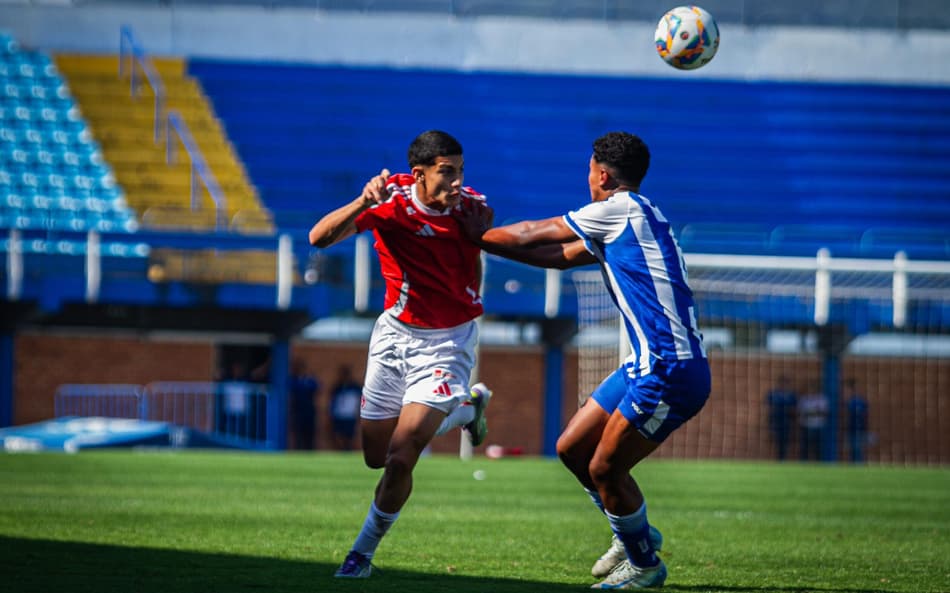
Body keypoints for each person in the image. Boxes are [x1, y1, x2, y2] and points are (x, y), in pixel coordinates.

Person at [457, 131, 710, 589]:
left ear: (603, 174)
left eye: (589, 168)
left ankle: (645, 565)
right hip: (645, 365)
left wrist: (472, 232)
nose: (586, 176)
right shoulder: (636, 216)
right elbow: (557, 256)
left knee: (605, 468)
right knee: (572, 449)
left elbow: (534, 232)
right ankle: (632, 532)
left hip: (671, 369)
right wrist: (484, 244)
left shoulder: (618, 210)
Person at [308, 130, 493, 579]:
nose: (457, 182)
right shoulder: (389, 206)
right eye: (447, 173)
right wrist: (362, 201)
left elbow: (480, 249)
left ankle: (361, 554)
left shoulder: (473, 208)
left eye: (460, 171)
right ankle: (467, 410)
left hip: (448, 343)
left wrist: (469, 297)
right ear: (419, 175)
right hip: (393, 338)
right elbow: (318, 238)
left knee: (401, 453)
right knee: (375, 455)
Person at [288, 357, 320, 450]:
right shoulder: (293, 380)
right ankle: (298, 450)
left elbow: (317, 387)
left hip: (309, 411)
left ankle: (310, 450)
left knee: (310, 434)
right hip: (298, 411)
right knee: (298, 434)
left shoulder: (310, 380)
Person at [329, 364, 362, 451]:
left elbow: (359, 401)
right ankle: (342, 451)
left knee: (350, 437)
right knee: (338, 436)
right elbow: (332, 402)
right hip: (339, 416)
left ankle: (349, 450)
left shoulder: (355, 387)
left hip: (350, 416)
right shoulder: (337, 387)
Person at [765, 375, 797, 461]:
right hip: (775, 421)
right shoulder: (773, 394)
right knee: (775, 440)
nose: (784, 385)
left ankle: (782, 459)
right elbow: (768, 408)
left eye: (786, 383)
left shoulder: (791, 395)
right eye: (782, 383)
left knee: (785, 442)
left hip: (787, 422)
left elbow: (794, 410)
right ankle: (776, 459)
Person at [798, 381, 828, 461]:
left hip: (818, 427)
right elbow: (801, 413)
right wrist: (814, 412)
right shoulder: (804, 399)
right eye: (810, 388)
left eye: (813, 388)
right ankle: (803, 464)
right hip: (806, 426)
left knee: (817, 448)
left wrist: (810, 412)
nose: (812, 390)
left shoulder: (821, 399)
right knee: (805, 448)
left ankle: (818, 464)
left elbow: (824, 413)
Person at [844, 378, 869, 463]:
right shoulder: (848, 401)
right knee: (852, 451)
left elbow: (865, 416)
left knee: (857, 451)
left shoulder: (859, 401)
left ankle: (859, 465)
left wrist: (865, 429)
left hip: (859, 430)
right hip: (851, 429)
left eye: (847, 389)